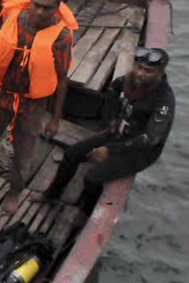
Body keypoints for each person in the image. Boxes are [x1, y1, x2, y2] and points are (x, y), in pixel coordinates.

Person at [0, 0, 77, 214]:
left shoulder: (61, 37)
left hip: (33, 103)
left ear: (56, 8)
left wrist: (55, 118)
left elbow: (62, 77)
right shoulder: (14, 20)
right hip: (2, 95)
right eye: (36, 5)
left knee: (23, 150)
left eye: (47, 8)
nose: (40, 12)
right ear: (30, 2)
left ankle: (14, 192)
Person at [31, 48, 174, 214]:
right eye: (139, 67)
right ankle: (52, 194)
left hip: (139, 150)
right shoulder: (131, 79)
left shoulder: (163, 100)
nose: (141, 73)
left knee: (92, 178)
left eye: (148, 71)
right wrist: (111, 118)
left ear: (160, 73)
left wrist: (109, 150)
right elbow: (114, 88)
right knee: (71, 154)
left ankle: (85, 213)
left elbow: (151, 139)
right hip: (118, 133)